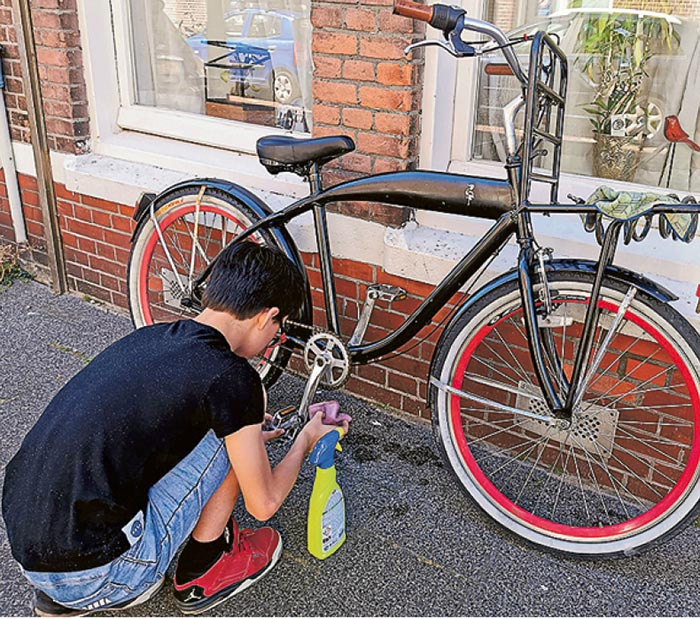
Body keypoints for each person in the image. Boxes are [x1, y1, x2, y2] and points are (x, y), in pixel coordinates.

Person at [2, 241, 350, 616]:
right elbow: (263, 504)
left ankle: (79, 586)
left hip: (28, 547)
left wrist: (247, 436)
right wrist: (305, 440)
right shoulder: (234, 380)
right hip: (97, 570)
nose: (274, 340)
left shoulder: (153, 337)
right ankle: (205, 566)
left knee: (227, 430)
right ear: (267, 316)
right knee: (230, 435)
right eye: (278, 330)